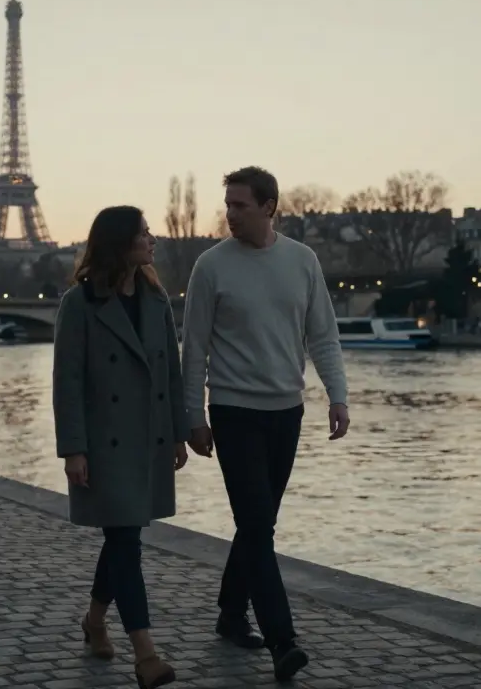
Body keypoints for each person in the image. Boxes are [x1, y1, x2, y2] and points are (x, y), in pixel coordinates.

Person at [180, 166, 349, 681]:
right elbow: (196, 348)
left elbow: (322, 335)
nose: (230, 213)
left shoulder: (302, 261)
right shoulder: (210, 267)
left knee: (258, 525)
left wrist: (337, 397)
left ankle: (231, 613)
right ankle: (283, 640)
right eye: (227, 204)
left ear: (269, 206)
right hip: (233, 413)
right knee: (258, 526)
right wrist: (194, 415)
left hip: (286, 413)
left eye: (240, 205)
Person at [52, 205, 190, 688]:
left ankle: (93, 620)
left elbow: (169, 373)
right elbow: (67, 381)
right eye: (144, 234)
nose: (153, 241)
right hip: (105, 443)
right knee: (126, 542)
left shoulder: (156, 298)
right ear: (120, 243)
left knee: (122, 539)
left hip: (147, 439)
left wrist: (177, 432)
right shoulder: (80, 303)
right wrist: (73, 448)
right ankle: (146, 653)